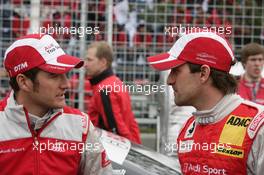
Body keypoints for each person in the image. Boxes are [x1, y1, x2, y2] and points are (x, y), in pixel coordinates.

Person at [147, 31, 264, 175]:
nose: (169, 80)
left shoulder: (258, 127)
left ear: (203, 73)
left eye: (176, 71)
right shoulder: (188, 128)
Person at [0, 34, 112, 174]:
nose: (66, 84)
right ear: (23, 82)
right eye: (54, 75)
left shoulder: (80, 125)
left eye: (65, 74)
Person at [84, 41, 141, 144]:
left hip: (117, 151)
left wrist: (132, 151)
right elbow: (130, 121)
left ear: (103, 62)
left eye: (89, 60)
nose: (85, 64)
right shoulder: (115, 82)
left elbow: (117, 129)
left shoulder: (105, 89)